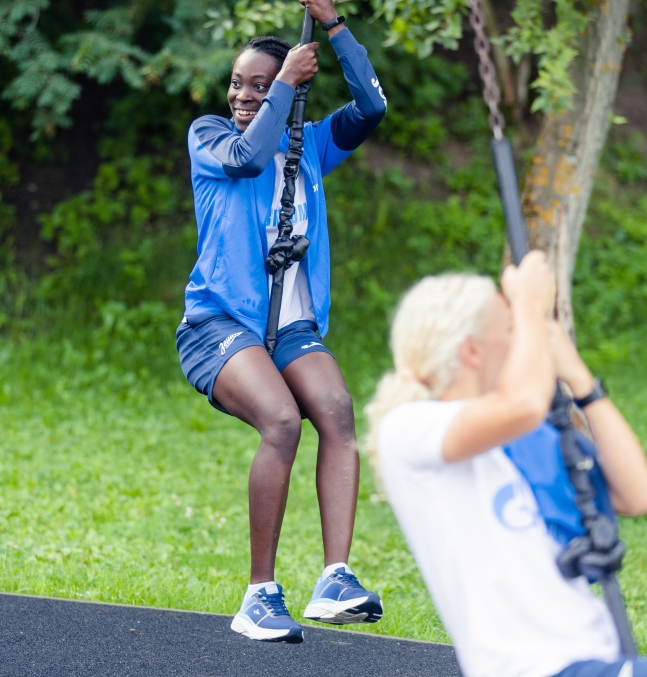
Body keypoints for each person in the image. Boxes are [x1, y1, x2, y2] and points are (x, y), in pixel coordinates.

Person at [364, 255, 647, 677]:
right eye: (510, 329)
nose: (523, 340)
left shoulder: (523, 437)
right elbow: (523, 403)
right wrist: (529, 305)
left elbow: (638, 494)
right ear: (472, 351)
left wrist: (580, 379)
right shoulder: (409, 429)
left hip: (593, 656)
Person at [175, 0, 387, 644]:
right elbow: (246, 156)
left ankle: (335, 580)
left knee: (338, 411)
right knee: (282, 421)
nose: (242, 95)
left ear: (291, 92)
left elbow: (372, 108)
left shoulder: (311, 146)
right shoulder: (211, 136)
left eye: (259, 85)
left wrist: (336, 27)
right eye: (238, 83)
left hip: (287, 328)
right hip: (218, 325)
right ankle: (259, 596)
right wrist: (283, 88)